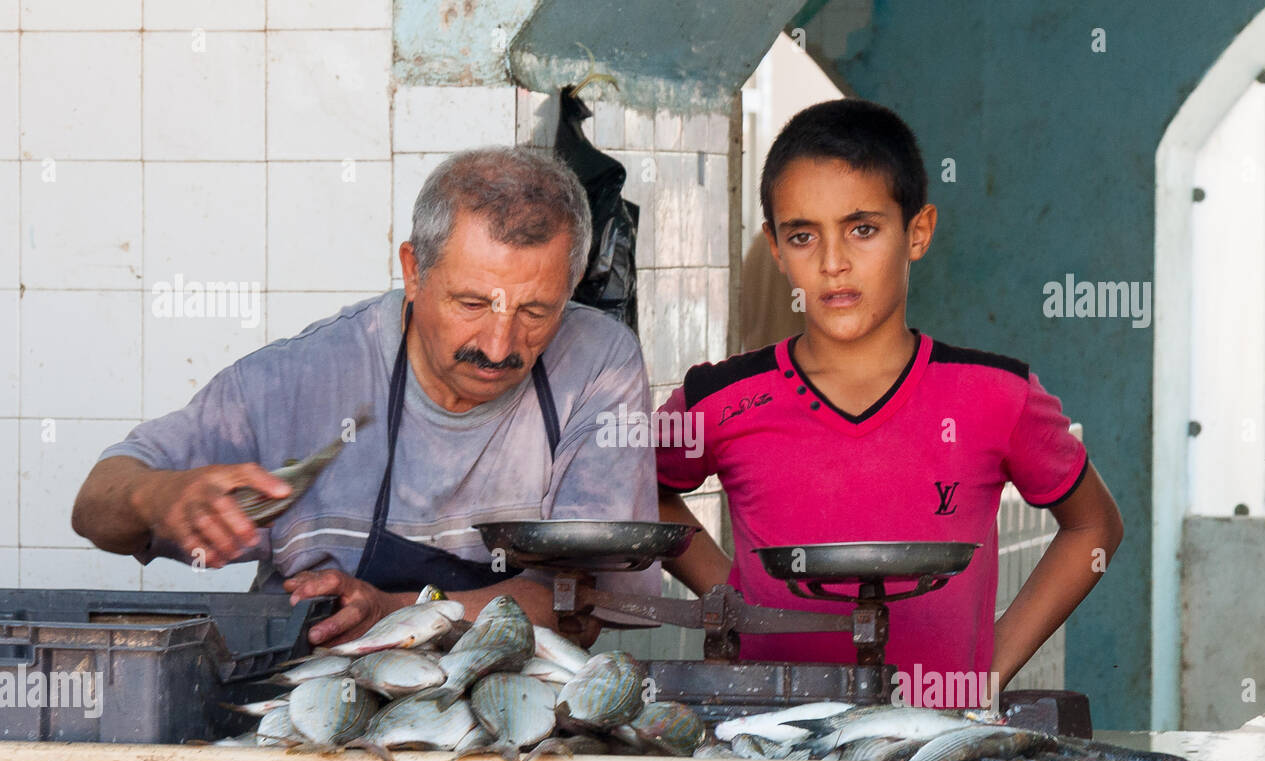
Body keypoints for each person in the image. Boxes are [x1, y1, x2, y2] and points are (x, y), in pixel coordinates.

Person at [72, 147, 658, 647]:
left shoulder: (598, 364)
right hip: (311, 704)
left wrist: (394, 611)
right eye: (471, 304)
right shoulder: (302, 377)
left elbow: (577, 604)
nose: (499, 345)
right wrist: (158, 495)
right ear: (413, 268)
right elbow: (95, 507)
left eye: (536, 311)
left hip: (512, 713)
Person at [656, 99, 1124, 701]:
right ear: (774, 247)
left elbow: (1094, 524)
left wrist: (987, 672)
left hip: (935, 746)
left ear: (918, 232)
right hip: (768, 739)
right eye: (803, 236)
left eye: (863, 229)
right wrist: (734, 591)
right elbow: (640, 486)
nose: (832, 263)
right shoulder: (721, 399)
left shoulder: (996, 395)